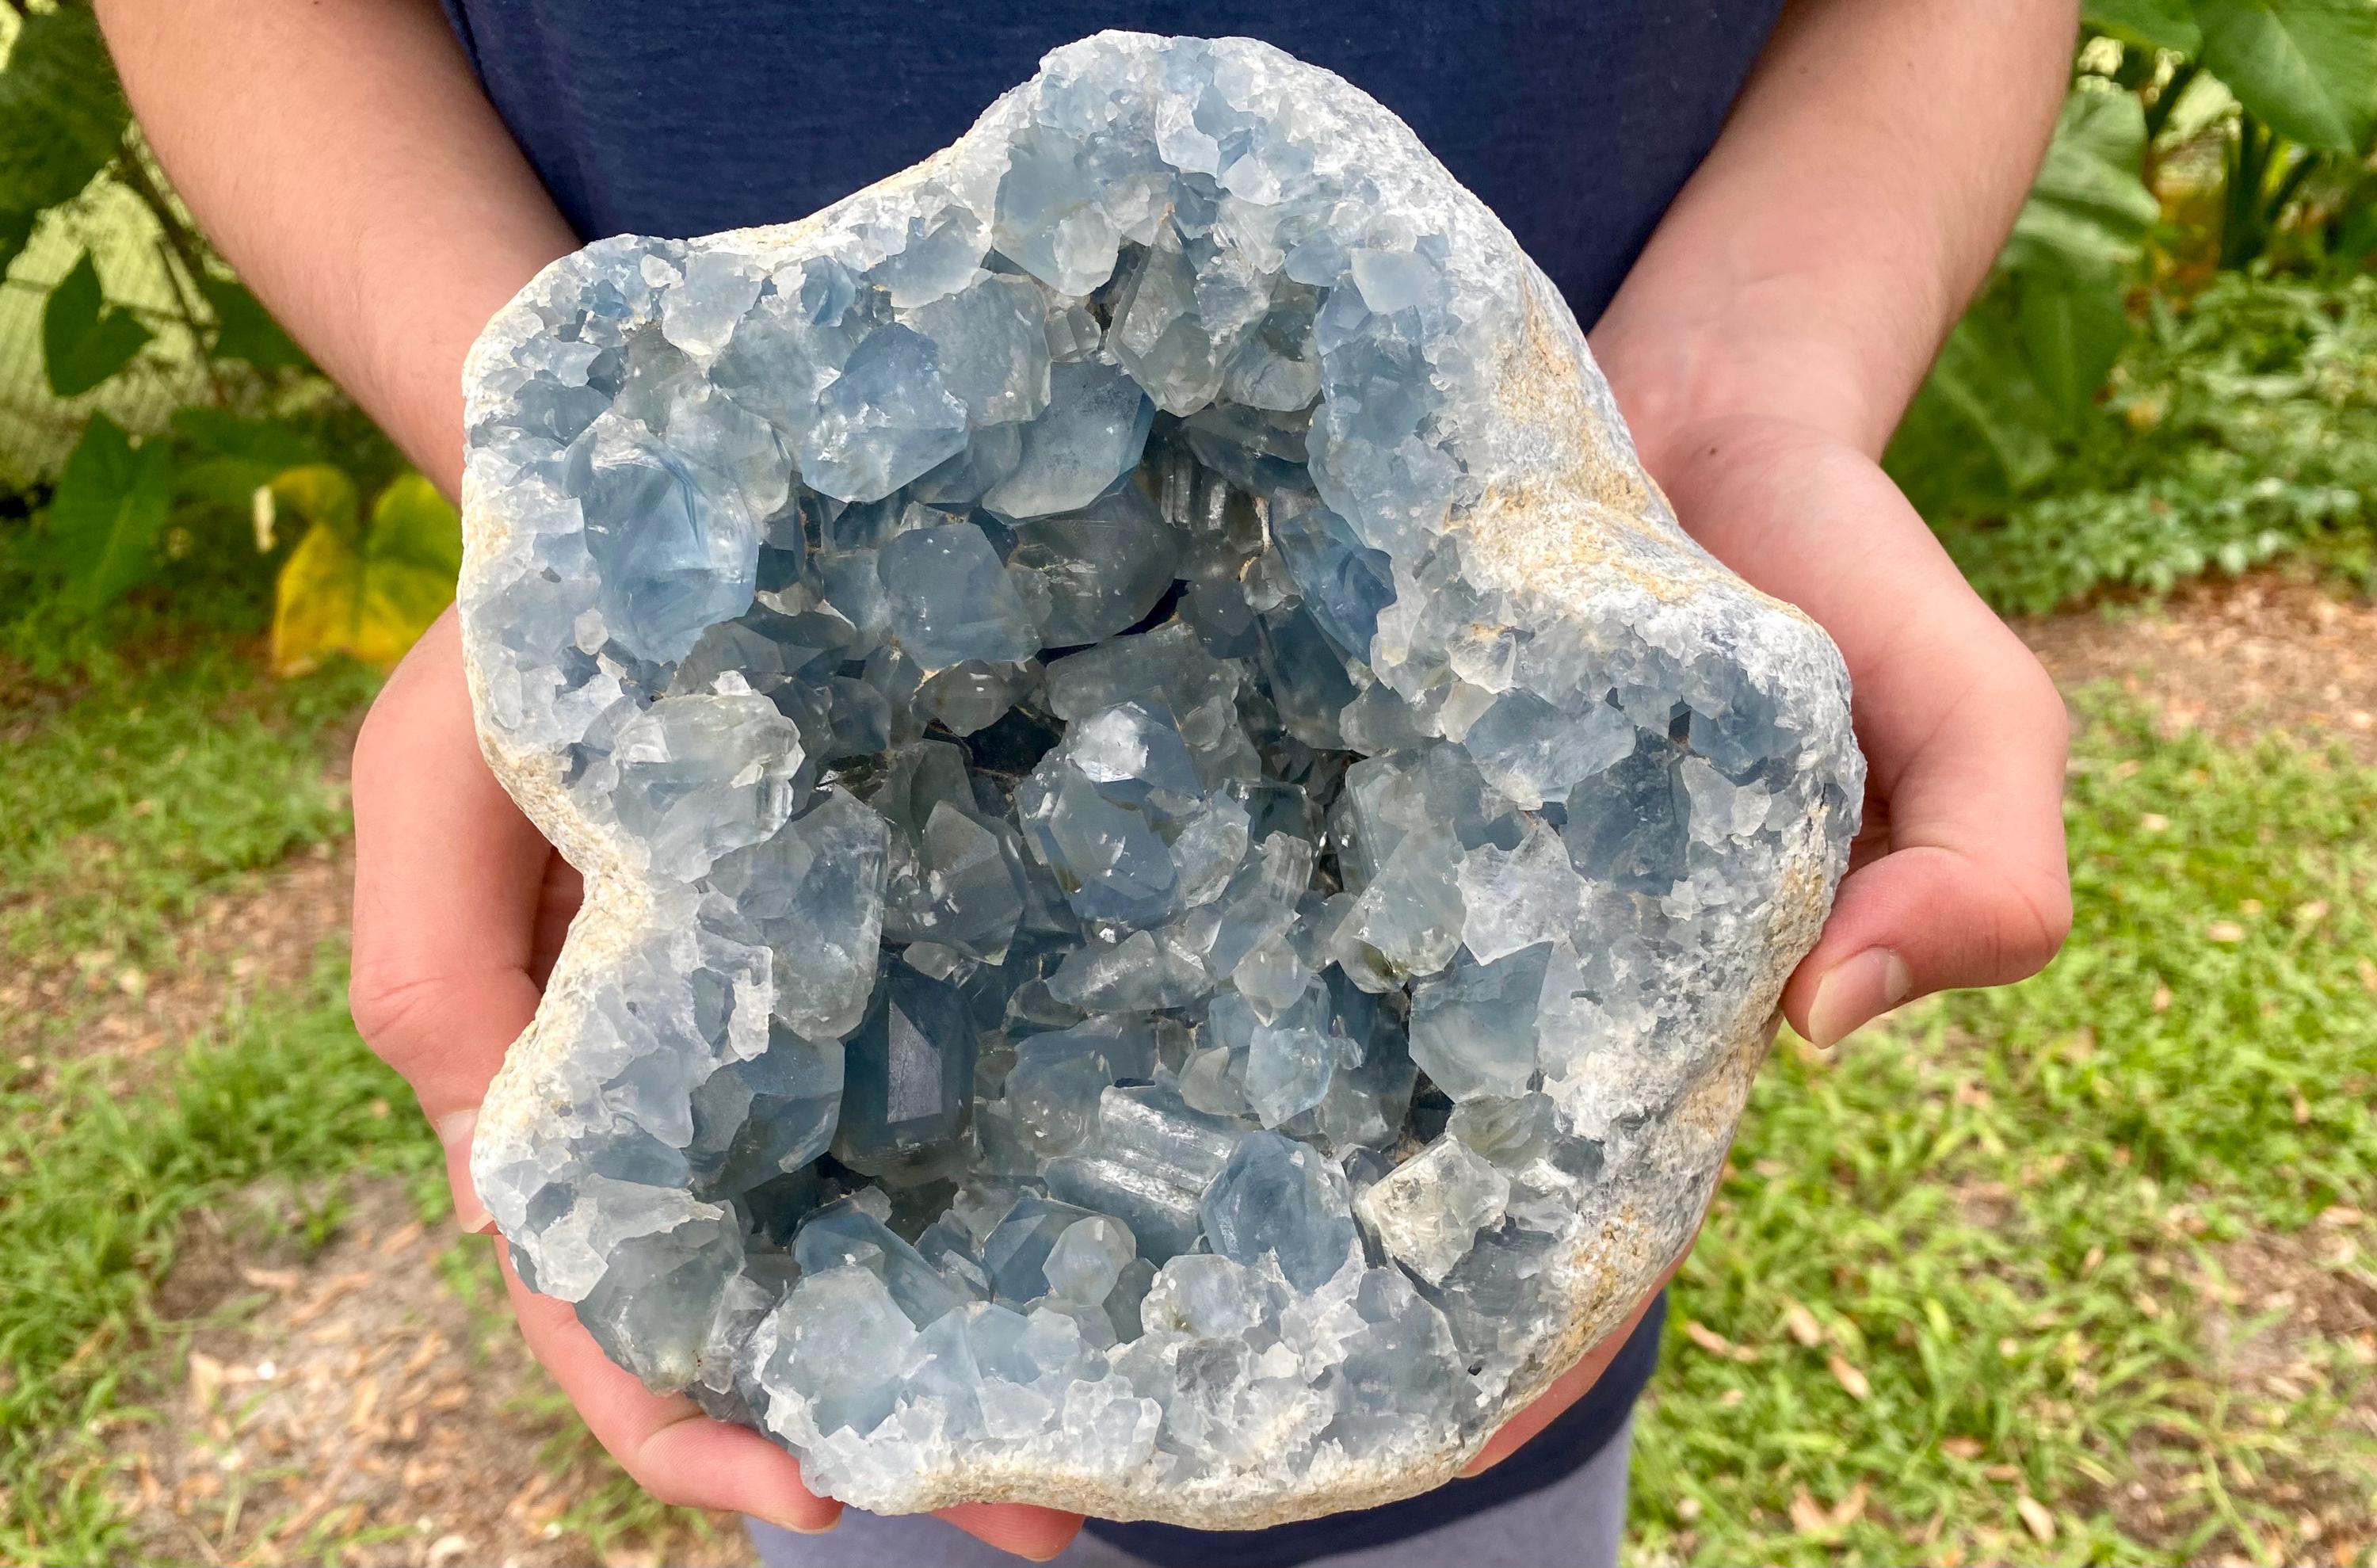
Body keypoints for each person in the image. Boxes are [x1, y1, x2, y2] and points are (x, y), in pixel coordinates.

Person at [96, 1, 2078, 1562]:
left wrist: (1757, 379)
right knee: (887, 1511)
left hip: (1440, 1135)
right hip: (912, 1130)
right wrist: (582, 498)